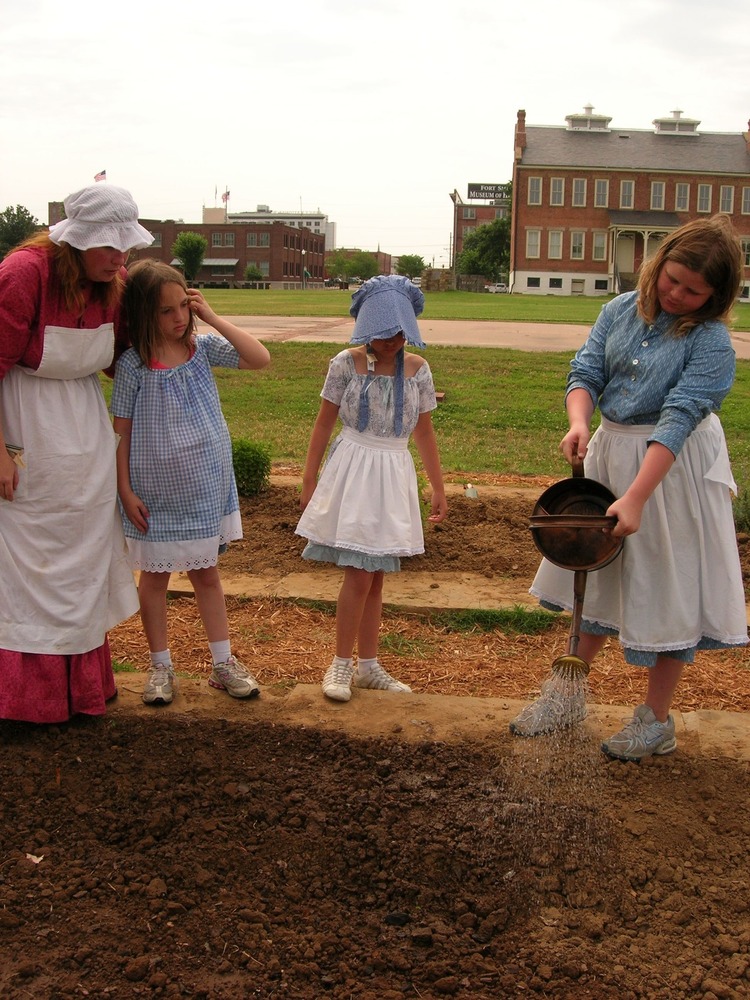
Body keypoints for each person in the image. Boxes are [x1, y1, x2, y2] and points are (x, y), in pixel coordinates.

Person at [510, 214, 748, 760]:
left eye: (693, 291)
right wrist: (579, 422)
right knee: (593, 575)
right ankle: (566, 697)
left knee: (667, 587)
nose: (676, 294)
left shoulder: (712, 342)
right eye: (672, 279)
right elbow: (586, 372)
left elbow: (679, 417)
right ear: (658, 264)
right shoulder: (619, 309)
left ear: (716, 297)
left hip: (672, 469)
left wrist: (637, 496)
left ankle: (655, 720)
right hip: (612, 452)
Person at [0, 183, 154, 723]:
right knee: (30, 558)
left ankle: (80, 686)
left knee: (82, 549)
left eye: (124, 246)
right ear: (76, 240)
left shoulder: (114, 282)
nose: (119, 257)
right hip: (25, 421)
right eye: (108, 246)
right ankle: (25, 694)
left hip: (84, 431)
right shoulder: (25, 273)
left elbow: (121, 359)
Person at [111, 260, 271, 706]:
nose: (179, 317)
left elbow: (260, 358)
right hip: (154, 497)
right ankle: (161, 666)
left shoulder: (202, 349)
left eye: (184, 305)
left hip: (204, 488)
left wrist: (213, 317)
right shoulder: (133, 366)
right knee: (154, 580)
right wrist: (124, 490)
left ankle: (223, 663)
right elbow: (120, 433)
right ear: (143, 313)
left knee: (206, 574)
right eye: (166, 310)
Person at [296, 274, 448, 702]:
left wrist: (438, 486)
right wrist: (309, 478)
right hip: (355, 471)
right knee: (360, 574)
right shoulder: (345, 364)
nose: (393, 340)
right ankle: (341, 664)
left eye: (400, 332)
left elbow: (424, 432)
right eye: (383, 332)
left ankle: (367, 665)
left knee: (376, 576)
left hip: (393, 472)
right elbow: (323, 423)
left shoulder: (418, 370)